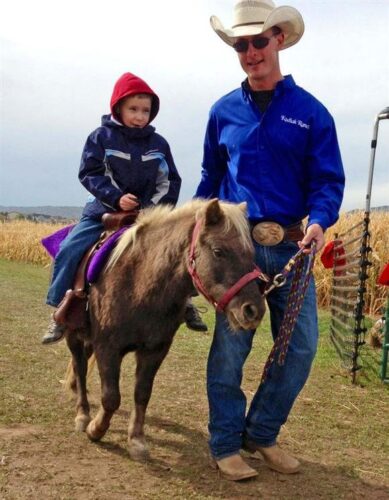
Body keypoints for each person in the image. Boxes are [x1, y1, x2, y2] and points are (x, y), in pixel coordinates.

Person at [195, 0, 345, 481]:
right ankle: (224, 444)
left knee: (300, 349)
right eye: (243, 44)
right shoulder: (222, 112)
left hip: (292, 247)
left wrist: (320, 220)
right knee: (231, 350)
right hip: (237, 250)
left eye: (260, 41)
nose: (251, 52)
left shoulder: (311, 113)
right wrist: (197, 229)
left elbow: (327, 182)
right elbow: (209, 179)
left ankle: (260, 432)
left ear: (279, 39)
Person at [42, 71, 205, 344]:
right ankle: (60, 308)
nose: (140, 116)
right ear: (118, 107)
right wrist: (116, 198)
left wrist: (153, 210)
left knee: (177, 250)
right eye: (134, 109)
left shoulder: (159, 144)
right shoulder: (101, 137)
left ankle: (185, 301)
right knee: (71, 248)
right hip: (104, 212)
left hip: (147, 216)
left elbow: (169, 181)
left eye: (146, 110)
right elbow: (90, 173)